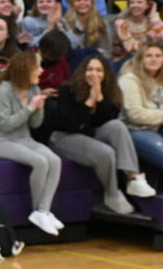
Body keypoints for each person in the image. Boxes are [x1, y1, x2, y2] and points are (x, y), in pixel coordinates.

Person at [47, 54, 155, 215]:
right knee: (106, 153)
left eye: (99, 70)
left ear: (106, 74)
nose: (94, 74)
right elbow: (72, 125)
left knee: (117, 126)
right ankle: (112, 194)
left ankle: (133, 177)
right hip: (64, 137)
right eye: (89, 69)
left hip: (90, 135)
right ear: (82, 72)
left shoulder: (112, 92)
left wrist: (100, 99)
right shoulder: (67, 90)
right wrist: (90, 101)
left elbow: (105, 121)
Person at [0, 51, 64, 236]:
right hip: (4, 141)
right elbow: (5, 126)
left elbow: (35, 124)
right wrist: (30, 107)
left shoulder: (34, 89)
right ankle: (38, 211)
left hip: (25, 138)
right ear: (26, 69)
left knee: (55, 161)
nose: (41, 71)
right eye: (37, 67)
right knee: (40, 162)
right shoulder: (4, 91)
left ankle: (44, 211)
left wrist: (39, 109)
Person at [119, 41, 163, 175]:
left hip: (157, 127)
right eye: (149, 56)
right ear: (140, 59)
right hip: (134, 130)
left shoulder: (160, 80)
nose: (154, 59)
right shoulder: (129, 79)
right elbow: (134, 114)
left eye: (158, 55)